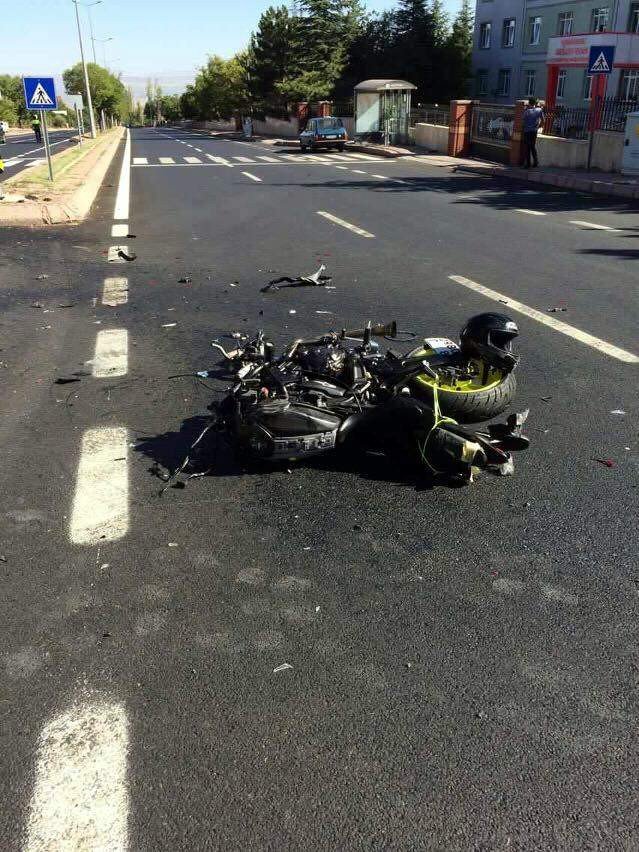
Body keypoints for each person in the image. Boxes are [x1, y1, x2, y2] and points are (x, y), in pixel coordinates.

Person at [522, 97, 544, 168]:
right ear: (535, 103)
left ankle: (528, 164)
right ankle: (535, 162)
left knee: (528, 147)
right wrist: (538, 126)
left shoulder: (526, 111)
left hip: (527, 131)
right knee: (532, 146)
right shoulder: (539, 110)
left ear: (529, 103)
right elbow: (543, 120)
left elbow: (523, 120)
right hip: (534, 131)